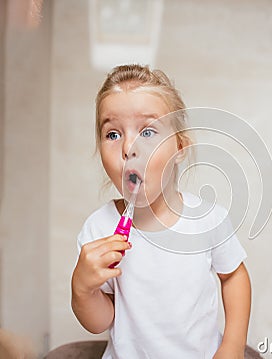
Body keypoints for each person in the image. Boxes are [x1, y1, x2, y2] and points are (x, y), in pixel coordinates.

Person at [71, 64, 251, 359]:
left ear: (180, 147)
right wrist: (82, 290)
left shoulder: (208, 220)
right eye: (113, 134)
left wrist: (232, 345)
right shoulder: (99, 228)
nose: (129, 147)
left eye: (148, 131)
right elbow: (101, 321)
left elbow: (234, 277)